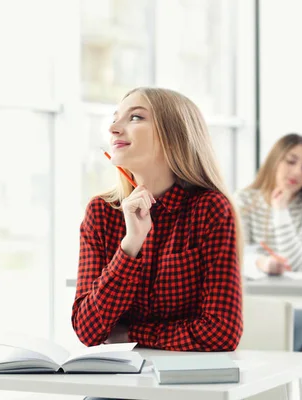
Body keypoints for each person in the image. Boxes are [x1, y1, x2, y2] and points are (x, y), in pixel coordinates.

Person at [72, 87, 243, 355]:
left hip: (186, 386)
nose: (114, 128)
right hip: (119, 385)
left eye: (136, 118)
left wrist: (130, 334)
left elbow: (221, 332)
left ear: (174, 138)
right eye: (115, 118)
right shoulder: (101, 213)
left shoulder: (210, 210)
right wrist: (130, 245)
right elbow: (87, 330)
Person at [234, 133, 302, 352]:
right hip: (258, 302)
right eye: (291, 161)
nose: (297, 172)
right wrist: (261, 262)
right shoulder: (243, 201)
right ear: (275, 160)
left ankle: (282, 387)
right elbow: (233, 255)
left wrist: (280, 211)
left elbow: (296, 263)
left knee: (284, 329)